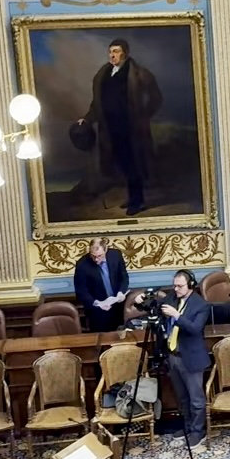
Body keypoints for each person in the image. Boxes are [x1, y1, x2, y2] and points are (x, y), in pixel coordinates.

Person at [79, 37, 162, 217]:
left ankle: (137, 201)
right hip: (110, 128)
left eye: (116, 51)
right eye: (110, 52)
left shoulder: (139, 73)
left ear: (125, 53)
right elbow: (97, 102)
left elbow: (156, 97)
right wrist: (87, 119)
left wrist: (142, 116)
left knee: (134, 164)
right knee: (121, 164)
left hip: (131, 129)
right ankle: (132, 197)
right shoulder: (104, 73)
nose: (112, 55)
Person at [159, 269, 215, 448]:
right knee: (182, 397)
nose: (176, 289)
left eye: (180, 286)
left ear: (190, 285)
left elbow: (194, 329)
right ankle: (188, 426)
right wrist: (141, 301)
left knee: (196, 398)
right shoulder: (172, 298)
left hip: (191, 358)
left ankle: (198, 431)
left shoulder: (201, 305)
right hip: (173, 356)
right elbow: (157, 304)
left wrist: (177, 315)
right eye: (174, 285)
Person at [72, 239, 129, 332]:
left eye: (99, 256)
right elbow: (81, 291)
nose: (96, 260)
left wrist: (121, 292)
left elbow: (124, 277)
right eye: (93, 256)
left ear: (105, 250)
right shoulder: (82, 264)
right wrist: (98, 303)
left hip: (118, 307)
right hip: (98, 313)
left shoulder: (116, 255)